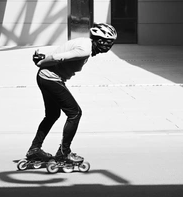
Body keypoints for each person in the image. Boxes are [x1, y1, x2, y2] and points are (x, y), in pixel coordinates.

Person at [24, 23, 118, 165]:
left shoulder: (85, 43)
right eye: (108, 42)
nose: (109, 46)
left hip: (46, 78)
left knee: (52, 115)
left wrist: (43, 58)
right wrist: (41, 62)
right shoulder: (84, 50)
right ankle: (64, 153)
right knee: (75, 113)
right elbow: (57, 58)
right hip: (50, 79)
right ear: (100, 40)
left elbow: (60, 53)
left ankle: (34, 150)